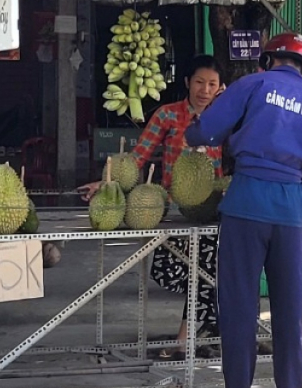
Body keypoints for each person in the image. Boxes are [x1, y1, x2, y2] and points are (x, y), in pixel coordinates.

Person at [185, 33, 302, 388]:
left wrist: (197, 133)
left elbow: (207, 130)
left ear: (269, 60)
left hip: (247, 202)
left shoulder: (254, 84)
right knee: (288, 308)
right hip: (291, 210)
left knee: (238, 306)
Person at [78, 55, 225, 358]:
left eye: (212, 84)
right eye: (199, 82)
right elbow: (137, 158)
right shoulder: (167, 116)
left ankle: (186, 338)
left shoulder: (226, 119)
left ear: (220, 87)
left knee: (209, 270)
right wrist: (106, 182)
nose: (204, 89)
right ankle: (210, 327)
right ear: (187, 82)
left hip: (212, 211)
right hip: (171, 211)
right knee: (169, 271)